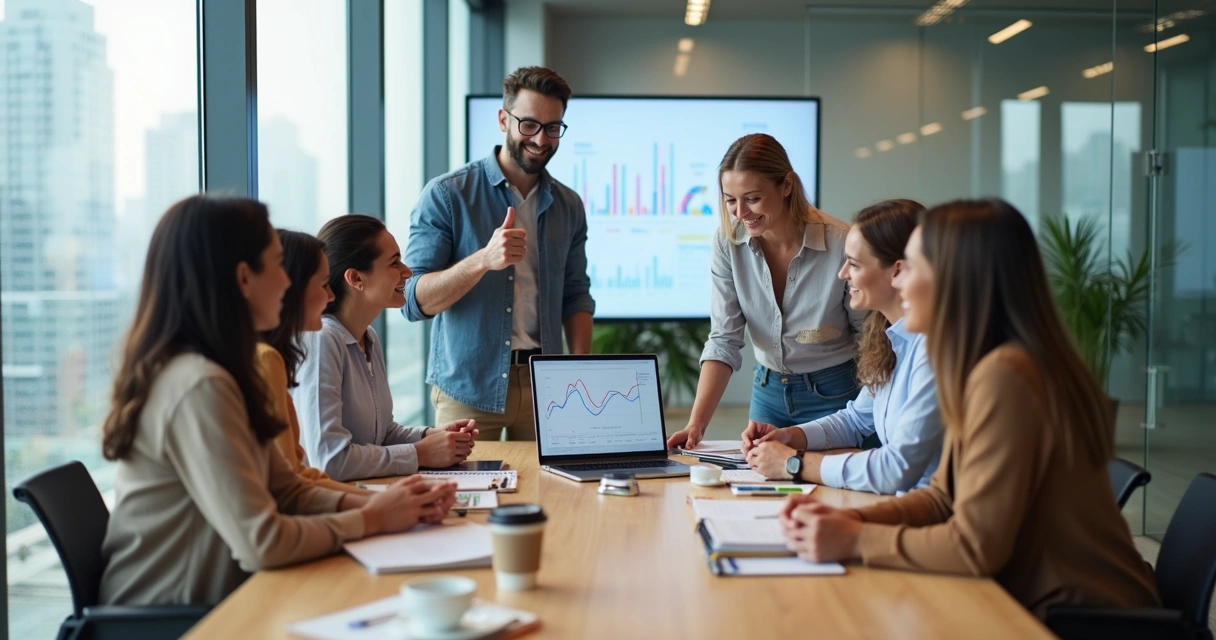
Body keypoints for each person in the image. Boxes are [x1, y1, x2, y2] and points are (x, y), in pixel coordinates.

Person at [779, 198, 1161, 618]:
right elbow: (943, 498)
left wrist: (853, 540)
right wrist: (851, 525)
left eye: (914, 267)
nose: (902, 285)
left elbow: (975, 548)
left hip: (1084, 616)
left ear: (955, 279)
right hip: (1046, 601)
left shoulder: (1006, 375)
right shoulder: (988, 364)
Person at [98, 196, 457, 605]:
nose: (289, 282)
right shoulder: (200, 385)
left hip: (222, 598)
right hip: (179, 619)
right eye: (275, 264)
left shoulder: (230, 371)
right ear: (244, 279)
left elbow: (286, 489)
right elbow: (262, 541)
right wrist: (372, 518)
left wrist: (395, 503)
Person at [403, 66, 595, 441]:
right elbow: (412, 300)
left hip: (548, 387)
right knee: (466, 498)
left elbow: (576, 293)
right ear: (503, 119)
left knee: (554, 496)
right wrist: (483, 260)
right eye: (529, 125)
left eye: (553, 127)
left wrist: (579, 367)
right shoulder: (447, 195)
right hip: (468, 388)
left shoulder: (569, 205)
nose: (541, 139)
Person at [667, 134, 866, 450]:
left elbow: (868, 336)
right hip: (768, 394)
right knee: (759, 493)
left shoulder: (842, 243)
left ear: (786, 185)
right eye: (730, 200)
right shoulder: (727, 242)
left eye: (753, 198)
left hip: (837, 395)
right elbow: (724, 338)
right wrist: (696, 425)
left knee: (833, 493)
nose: (740, 213)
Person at [742, 199, 943, 494]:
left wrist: (794, 463)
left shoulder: (932, 351)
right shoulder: (889, 338)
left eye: (855, 264)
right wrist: (790, 437)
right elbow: (855, 420)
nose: (842, 273)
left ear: (897, 271)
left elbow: (896, 468)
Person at [294, 214, 478, 482]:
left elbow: (380, 435)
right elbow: (329, 460)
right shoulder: (322, 339)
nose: (408, 272)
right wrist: (419, 454)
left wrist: (430, 437)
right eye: (394, 263)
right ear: (356, 278)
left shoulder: (368, 337)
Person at [257, 229, 368, 494]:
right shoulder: (265, 360)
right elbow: (292, 486)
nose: (331, 296)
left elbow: (295, 476)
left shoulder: (274, 358)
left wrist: (378, 501)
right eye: (323, 284)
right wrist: (375, 507)